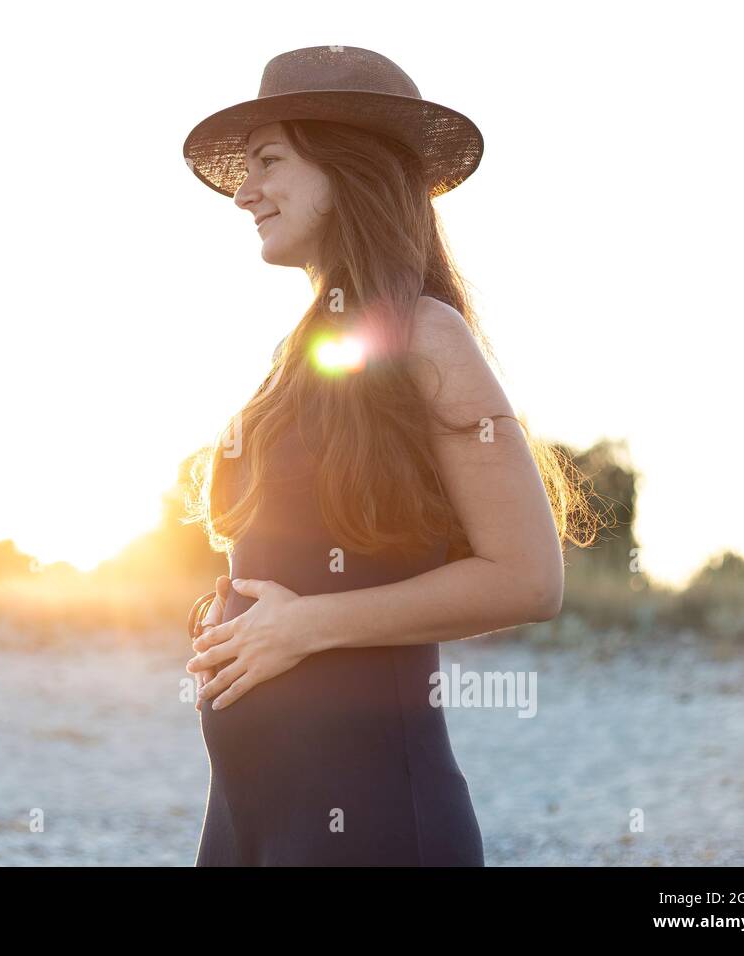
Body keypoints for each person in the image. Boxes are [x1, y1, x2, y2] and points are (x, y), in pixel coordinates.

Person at [180, 46, 597, 866]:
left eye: (269, 161)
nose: (243, 192)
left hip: (370, 818)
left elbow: (527, 577)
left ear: (348, 167)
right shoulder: (299, 352)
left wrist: (301, 628)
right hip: (247, 814)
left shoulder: (424, 335)